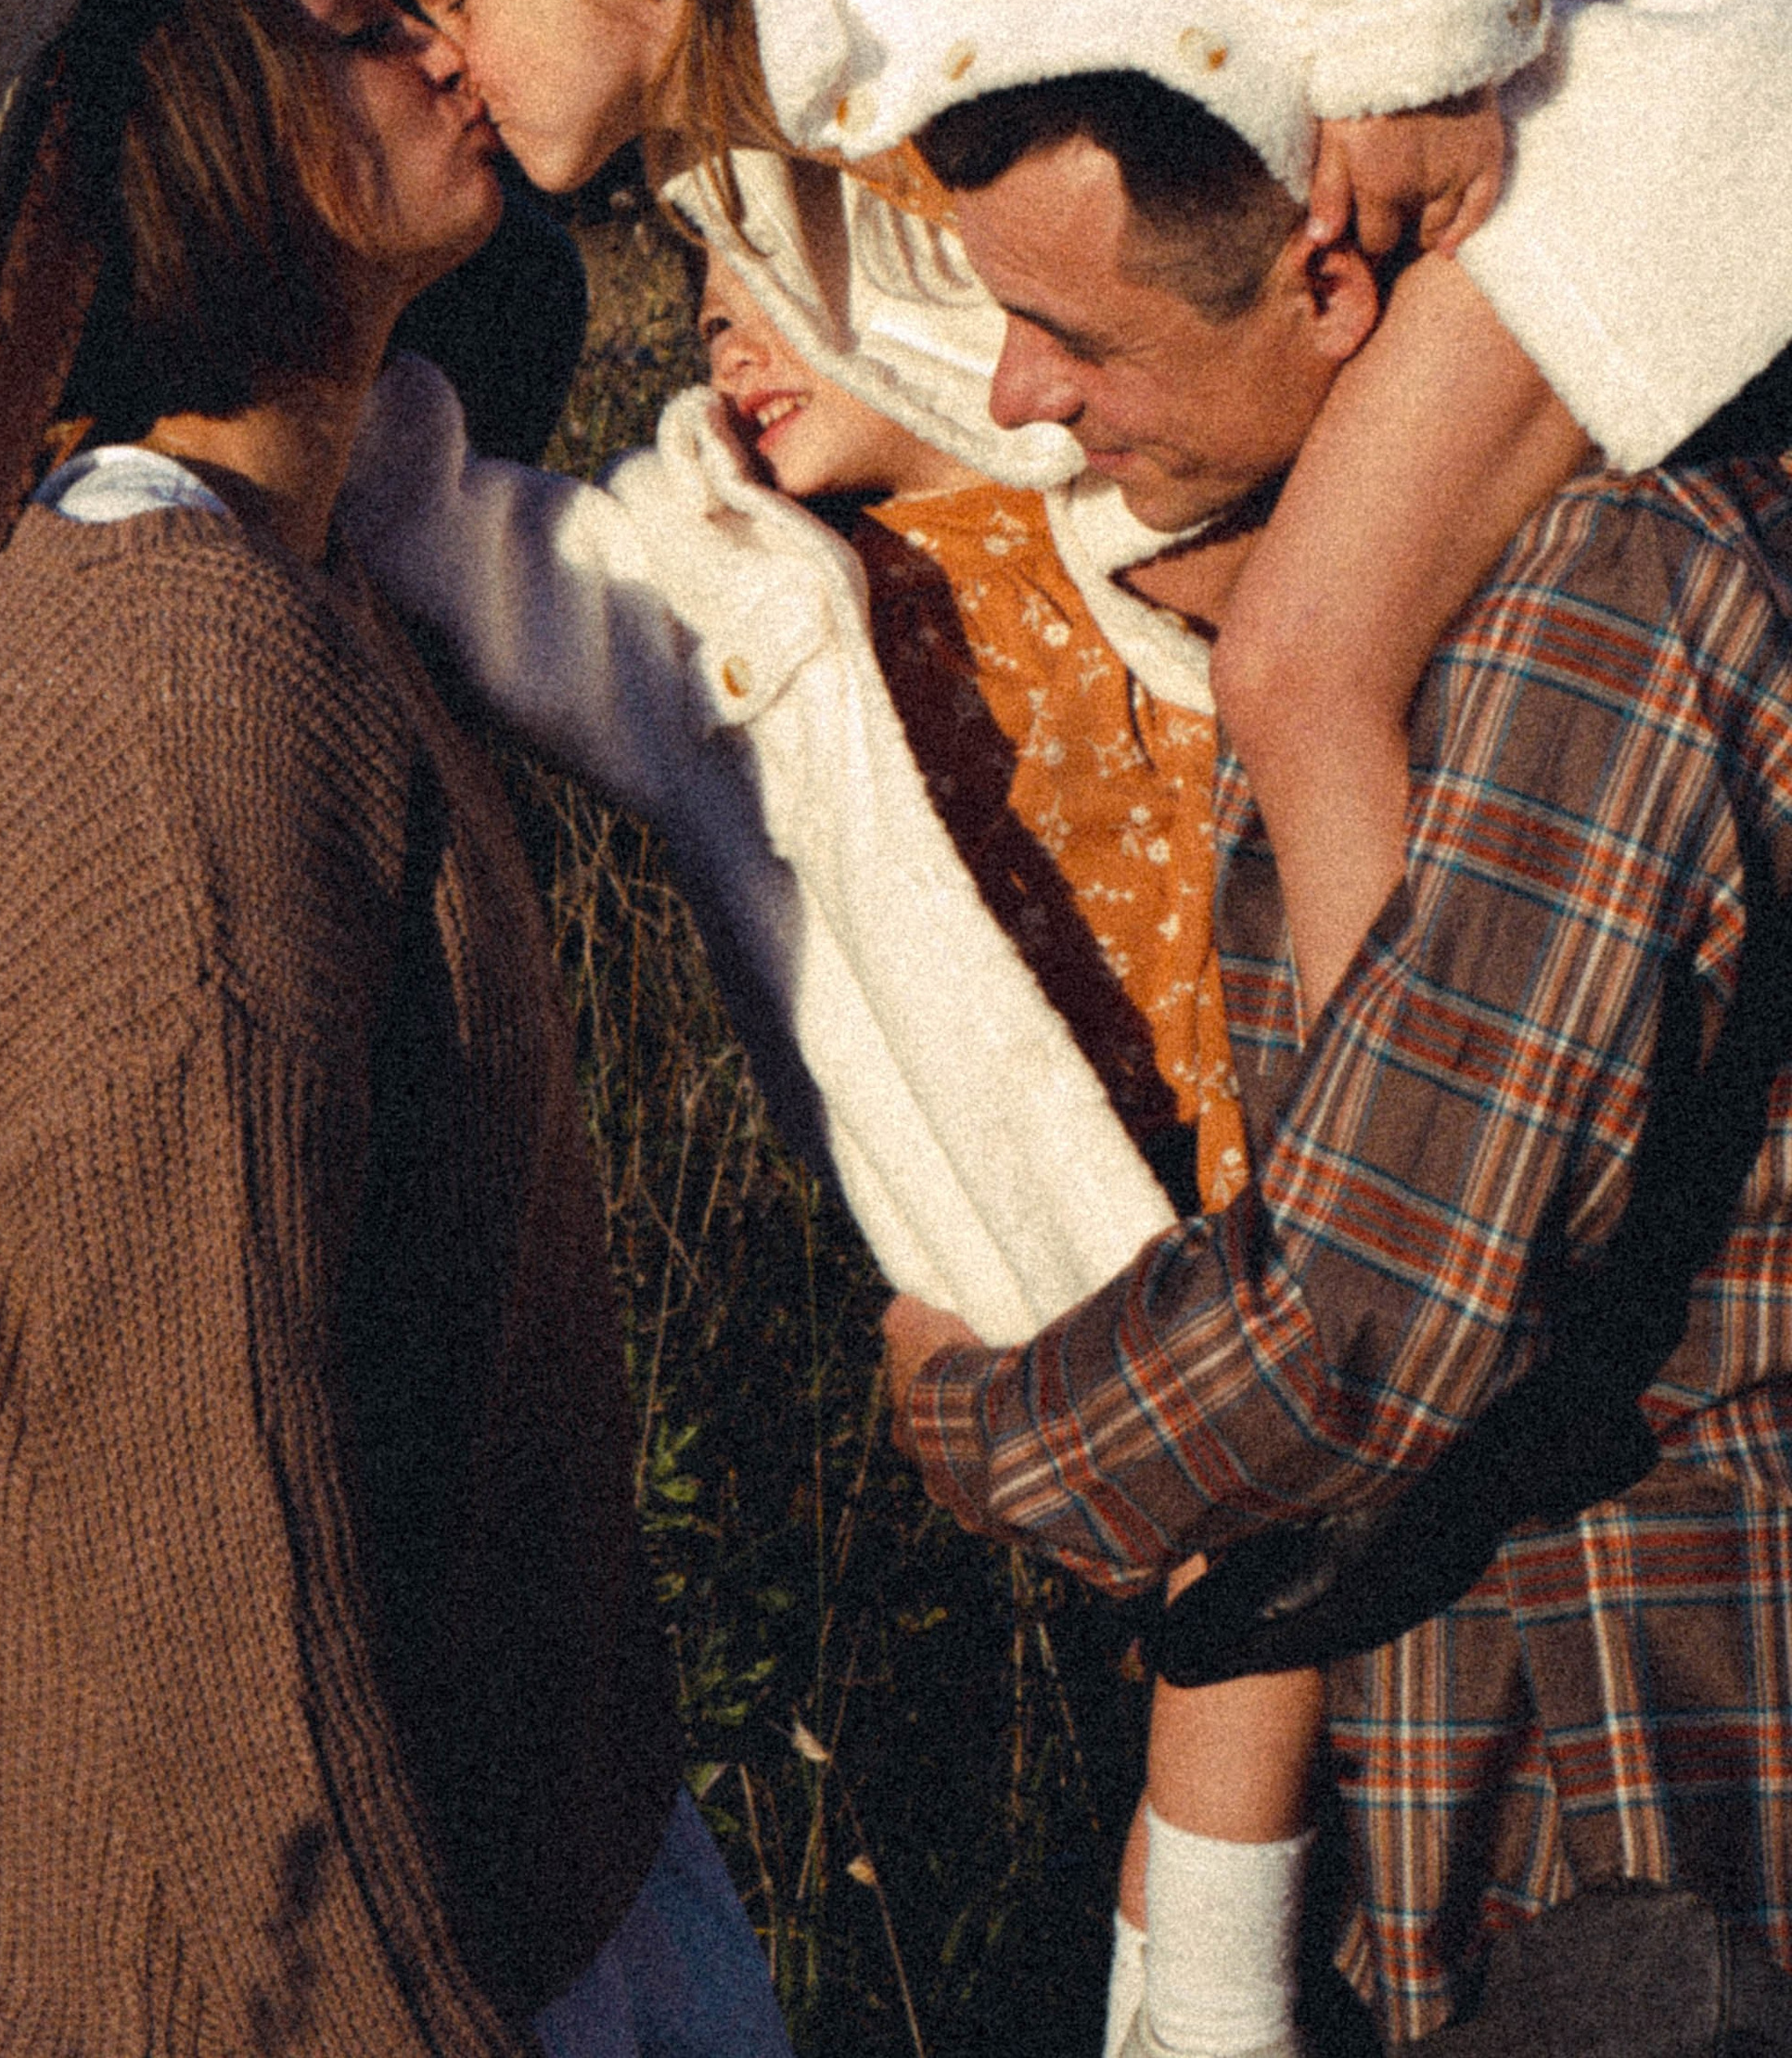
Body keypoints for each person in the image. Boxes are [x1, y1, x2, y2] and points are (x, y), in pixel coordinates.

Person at [0, 0, 791, 2058]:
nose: (457, 51)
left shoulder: (325, 578)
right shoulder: (170, 695)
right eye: (363, 11)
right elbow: (222, 1633)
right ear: (190, 121)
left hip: (507, 1886)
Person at [850, 61, 1792, 2051]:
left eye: (1071, 332)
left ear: (1333, 284)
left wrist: (973, 1418)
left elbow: (1361, 1319)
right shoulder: (1403, 587)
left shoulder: (1606, 598)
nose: (1016, 393)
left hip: (1652, 1792)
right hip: (1494, 1788)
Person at [345, 253, 1315, 2057]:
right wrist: (336, 375)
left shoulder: (1132, 496)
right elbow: (466, 547)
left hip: (1316, 1191)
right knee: (1243, 1645)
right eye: (699, 288)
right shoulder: (736, 590)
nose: (720, 331)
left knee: (1312, 1681)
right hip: (1102, 1275)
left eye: (777, 268)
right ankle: (1200, 2013)